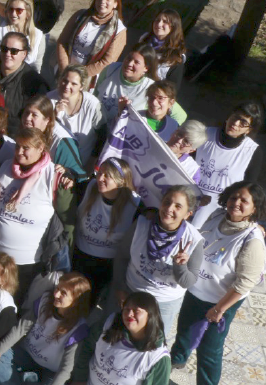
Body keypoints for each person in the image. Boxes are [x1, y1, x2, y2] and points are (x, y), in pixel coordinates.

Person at [171, 181, 266, 384]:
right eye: (234, 197)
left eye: (244, 200)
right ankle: (176, 360)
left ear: (255, 208)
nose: (236, 203)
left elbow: (245, 283)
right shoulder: (216, 216)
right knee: (185, 329)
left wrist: (219, 309)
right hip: (196, 291)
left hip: (220, 302)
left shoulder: (252, 239)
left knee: (210, 348)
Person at [112, 184, 204, 337]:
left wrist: (180, 266)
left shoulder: (194, 240)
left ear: (188, 214)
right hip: (131, 291)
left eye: (178, 206)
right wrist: (120, 288)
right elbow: (122, 256)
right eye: (167, 202)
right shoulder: (141, 224)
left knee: (152, 344)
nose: (169, 209)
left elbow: (188, 281)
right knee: (116, 336)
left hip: (163, 303)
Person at [0, 127, 60, 299]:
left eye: (26, 148)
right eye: (17, 146)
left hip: (23, 264)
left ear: (41, 149)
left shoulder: (54, 176)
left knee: (10, 303)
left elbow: (65, 219)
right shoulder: (4, 165)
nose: (19, 152)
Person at [0, 272, 91, 385]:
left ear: (76, 301)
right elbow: (20, 328)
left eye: (63, 293)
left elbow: (66, 369)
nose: (56, 294)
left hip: (49, 371)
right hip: (26, 355)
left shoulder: (78, 329)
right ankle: (26, 380)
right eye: (57, 288)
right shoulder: (45, 301)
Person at [71, 158, 139, 304]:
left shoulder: (134, 204)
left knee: (90, 303)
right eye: (99, 173)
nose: (100, 178)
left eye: (107, 175)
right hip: (80, 256)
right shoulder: (88, 188)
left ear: (120, 181)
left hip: (107, 264)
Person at [71, 292, 172, 385]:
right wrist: (79, 379)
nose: (129, 314)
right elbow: (85, 349)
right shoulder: (109, 324)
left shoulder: (158, 359)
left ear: (151, 316)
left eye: (136, 311)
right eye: (127, 309)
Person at [190, 101, 263, 228]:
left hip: (217, 214)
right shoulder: (205, 134)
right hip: (186, 200)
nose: (235, 124)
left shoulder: (252, 151)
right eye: (235, 117)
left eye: (243, 122)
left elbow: (249, 189)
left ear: (249, 129)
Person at [55, 0, 127, 83]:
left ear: (115, 3)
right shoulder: (80, 16)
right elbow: (62, 42)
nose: (102, 1)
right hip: (64, 73)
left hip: (88, 80)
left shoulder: (119, 31)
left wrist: (77, 75)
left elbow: (107, 62)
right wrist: (65, 69)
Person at [21, 96, 87, 182]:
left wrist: (68, 173)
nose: (28, 118)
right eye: (26, 113)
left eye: (34, 115)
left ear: (47, 120)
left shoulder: (62, 141)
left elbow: (81, 176)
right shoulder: (26, 130)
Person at [48, 64, 104, 161]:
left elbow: (102, 136)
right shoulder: (49, 99)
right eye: (64, 81)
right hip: (53, 160)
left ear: (81, 86)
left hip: (83, 163)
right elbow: (39, 133)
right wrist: (53, 115)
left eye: (73, 84)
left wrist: (92, 162)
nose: (67, 86)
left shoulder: (93, 105)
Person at [0, 32, 49, 133]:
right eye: (4, 49)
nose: (8, 54)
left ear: (24, 54)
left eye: (14, 51)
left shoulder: (34, 83)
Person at [95, 42, 158, 126]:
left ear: (146, 68)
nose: (129, 64)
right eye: (129, 58)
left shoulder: (151, 88)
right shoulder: (111, 69)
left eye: (136, 62)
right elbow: (95, 95)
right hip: (95, 126)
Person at [0, 0, 45, 72]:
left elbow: (36, 66)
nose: (14, 14)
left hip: (21, 81)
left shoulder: (38, 36)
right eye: (11, 9)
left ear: (28, 13)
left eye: (19, 10)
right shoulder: (0, 25)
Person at [139, 9, 186, 92]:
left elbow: (173, 87)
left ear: (173, 26)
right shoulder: (144, 40)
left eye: (165, 22)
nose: (159, 24)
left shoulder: (177, 55)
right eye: (157, 20)